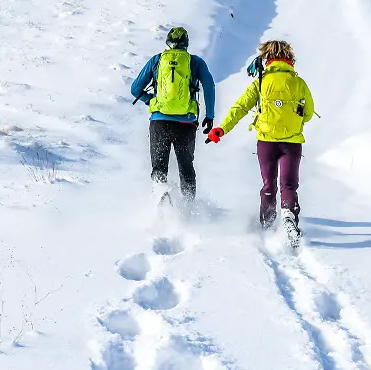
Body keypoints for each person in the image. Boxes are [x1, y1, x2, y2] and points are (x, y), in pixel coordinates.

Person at [206, 40, 314, 242]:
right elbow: (308, 114)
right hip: (292, 143)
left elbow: (240, 108)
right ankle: (289, 216)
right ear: (289, 58)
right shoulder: (299, 83)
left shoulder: (261, 82)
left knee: (268, 185)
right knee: (289, 186)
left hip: (266, 143)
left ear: (267, 57)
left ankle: (266, 226)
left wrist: (222, 129)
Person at [131, 27, 215, 206]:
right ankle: (189, 208)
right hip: (186, 123)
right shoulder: (195, 62)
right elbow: (209, 86)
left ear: (168, 42)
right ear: (187, 44)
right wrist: (210, 115)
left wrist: (152, 102)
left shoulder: (157, 60)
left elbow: (135, 89)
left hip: (159, 122)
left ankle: (160, 196)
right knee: (186, 169)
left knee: (159, 168)